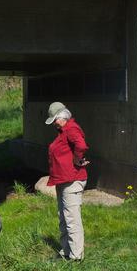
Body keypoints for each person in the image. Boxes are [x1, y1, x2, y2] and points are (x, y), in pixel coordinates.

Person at [45, 102, 89, 261]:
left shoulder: (71, 128)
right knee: (64, 218)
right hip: (63, 180)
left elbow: (81, 145)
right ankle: (66, 252)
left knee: (72, 219)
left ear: (62, 116)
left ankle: (76, 257)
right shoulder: (62, 131)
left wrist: (77, 159)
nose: (54, 123)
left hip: (72, 180)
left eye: (55, 119)